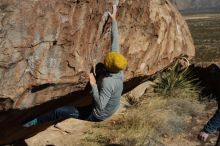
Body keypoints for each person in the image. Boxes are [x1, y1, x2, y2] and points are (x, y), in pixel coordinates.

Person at [23, 4, 127, 127]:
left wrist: (93, 85)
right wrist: (114, 20)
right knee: (99, 73)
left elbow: (100, 105)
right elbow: (115, 42)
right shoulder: (118, 66)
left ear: (109, 67)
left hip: (98, 113)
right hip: (111, 104)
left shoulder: (108, 82)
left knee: (61, 111)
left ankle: (33, 122)